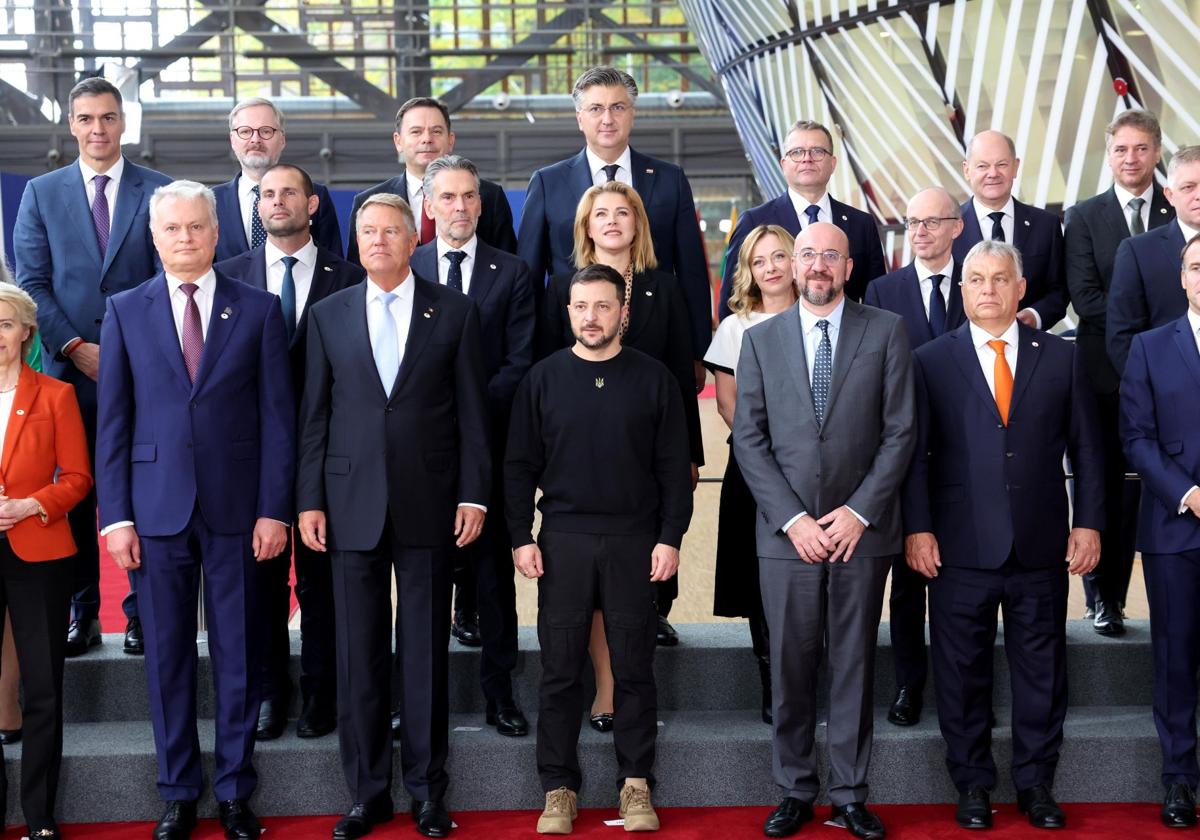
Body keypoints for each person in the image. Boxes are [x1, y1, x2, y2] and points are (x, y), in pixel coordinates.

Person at [95, 180, 295, 840]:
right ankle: (178, 790)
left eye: (196, 227)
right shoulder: (124, 310)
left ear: (216, 233)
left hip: (239, 511)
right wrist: (116, 516)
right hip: (154, 514)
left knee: (239, 655)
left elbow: (277, 419)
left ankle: (236, 790)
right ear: (155, 238)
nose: (185, 238)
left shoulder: (260, 310)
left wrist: (275, 510)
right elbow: (115, 423)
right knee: (168, 658)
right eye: (172, 229)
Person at [296, 193, 490, 840]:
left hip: (430, 501)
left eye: (390, 231)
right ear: (355, 240)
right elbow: (314, 417)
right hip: (347, 505)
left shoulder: (455, 311)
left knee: (425, 654)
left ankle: (428, 793)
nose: (378, 241)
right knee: (358, 655)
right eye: (367, 231)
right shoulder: (327, 315)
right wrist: (308, 499)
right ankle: (367, 793)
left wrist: (473, 493)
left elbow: (471, 413)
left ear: (415, 240)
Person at [903, 239, 1103, 831]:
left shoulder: (1061, 358)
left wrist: (1088, 522)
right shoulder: (931, 360)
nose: (987, 289)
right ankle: (971, 784)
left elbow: (1088, 451)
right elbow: (914, 458)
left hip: (1041, 543)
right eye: (976, 280)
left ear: (1021, 289)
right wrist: (917, 528)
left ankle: (1036, 784)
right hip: (959, 545)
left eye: (1000, 279)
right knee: (961, 670)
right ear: (961, 290)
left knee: (1042, 671)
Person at [734, 222, 914, 840]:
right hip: (786, 538)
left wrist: (858, 512)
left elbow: (900, 433)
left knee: (853, 664)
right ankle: (794, 790)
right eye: (806, 254)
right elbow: (749, 442)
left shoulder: (886, 332)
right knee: (789, 665)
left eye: (828, 256)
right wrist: (793, 519)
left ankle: (849, 794)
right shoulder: (760, 341)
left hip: (861, 533)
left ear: (847, 265)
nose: (816, 265)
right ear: (792, 264)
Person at [506, 263, 693, 835]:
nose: (591, 317)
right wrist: (519, 536)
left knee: (634, 667)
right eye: (581, 306)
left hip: (637, 541)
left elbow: (673, 471)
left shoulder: (654, 379)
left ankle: (635, 784)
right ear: (568, 312)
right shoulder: (542, 380)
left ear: (623, 313)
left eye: (603, 306)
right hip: (563, 539)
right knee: (560, 671)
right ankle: (558, 788)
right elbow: (517, 467)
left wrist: (670, 537)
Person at [13, 77, 171, 659]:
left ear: (122, 121)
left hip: (145, 375)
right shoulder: (42, 193)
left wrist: (127, 354)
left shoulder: (159, 191)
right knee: (73, 497)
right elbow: (31, 283)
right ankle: (82, 612)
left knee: (143, 492)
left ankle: (140, 613)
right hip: (66, 374)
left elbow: (167, 279)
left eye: (107, 118)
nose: (97, 129)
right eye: (86, 119)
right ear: (72, 125)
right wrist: (76, 346)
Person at [536, 181, 701, 731]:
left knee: (635, 581)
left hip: (648, 451)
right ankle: (603, 686)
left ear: (638, 224)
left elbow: (681, 375)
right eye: (599, 213)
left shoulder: (665, 287)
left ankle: (625, 671)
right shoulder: (562, 286)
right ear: (584, 226)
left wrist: (691, 455)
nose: (611, 221)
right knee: (588, 583)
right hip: (582, 458)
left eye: (622, 213)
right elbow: (548, 371)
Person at [216, 163, 364, 742]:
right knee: (261, 584)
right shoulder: (228, 277)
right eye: (267, 194)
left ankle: (321, 694)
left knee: (324, 583)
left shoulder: (351, 277)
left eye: (289, 193)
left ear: (314, 204)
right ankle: (268, 694)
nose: (277, 202)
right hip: (253, 460)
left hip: (331, 456)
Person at [410, 154, 535, 738]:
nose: (459, 207)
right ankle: (416, 698)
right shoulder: (402, 268)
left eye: (469, 197)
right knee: (421, 580)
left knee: (493, 581)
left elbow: (520, 361)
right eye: (448, 198)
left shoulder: (512, 271)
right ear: (428, 206)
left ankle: (500, 694)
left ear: (481, 205)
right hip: (420, 451)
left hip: (493, 445)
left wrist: (469, 413)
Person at [518, 66, 712, 377]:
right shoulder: (547, 182)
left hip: (655, 343)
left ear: (632, 114)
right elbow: (528, 275)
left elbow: (691, 270)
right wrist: (526, 352)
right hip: (572, 344)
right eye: (596, 108)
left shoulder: (669, 179)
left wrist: (697, 349)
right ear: (580, 118)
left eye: (617, 107)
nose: (607, 119)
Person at [1065, 109, 1173, 636]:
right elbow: (1086, 299)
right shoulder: (1084, 216)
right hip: (1103, 374)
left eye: (1140, 148)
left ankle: (1168, 597)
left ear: (1157, 152)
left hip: (1173, 377)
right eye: (1120, 149)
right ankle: (1104, 598)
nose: (1131, 159)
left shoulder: (1177, 213)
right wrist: (1146, 331)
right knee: (1102, 483)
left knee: (1159, 483)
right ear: (1109, 156)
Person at [863, 186, 965, 729]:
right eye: (913, 222)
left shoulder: (978, 282)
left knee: (959, 582)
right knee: (907, 583)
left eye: (932, 221)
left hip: (968, 457)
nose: (920, 231)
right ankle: (908, 683)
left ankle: (957, 685)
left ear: (958, 227)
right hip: (905, 457)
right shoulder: (883, 289)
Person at [0, 283, 92, 840]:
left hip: (38, 548)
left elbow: (78, 478)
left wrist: (31, 504)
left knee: (42, 687)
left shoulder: (55, 395)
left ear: (27, 333)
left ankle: (38, 814)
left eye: (7, 324)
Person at [1120, 232, 1200, 829]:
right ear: (1182, 276)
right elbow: (1137, 440)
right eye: (1197, 266)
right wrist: (1188, 493)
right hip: (1176, 528)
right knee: (1175, 659)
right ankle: (1178, 780)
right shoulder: (1149, 347)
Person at [702, 223, 796, 726]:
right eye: (760, 261)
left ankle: (808, 677)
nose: (771, 268)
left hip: (815, 469)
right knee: (762, 578)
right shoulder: (734, 328)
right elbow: (728, 406)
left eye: (779, 256)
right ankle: (773, 683)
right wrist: (769, 455)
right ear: (748, 271)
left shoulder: (818, 317)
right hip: (755, 469)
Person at [718, 119, 885, 316]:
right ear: (783, 164)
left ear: (832, 164)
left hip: (848, 341)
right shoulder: (754, 222)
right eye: (796, 152)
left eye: (817, 151)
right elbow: (732, 299)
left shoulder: (861, 224)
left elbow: (876, 300)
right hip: (776, 341)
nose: (807, 158)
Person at [347, 97, 517, 266]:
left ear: (450, 140)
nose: (427, 139)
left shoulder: (490, 196)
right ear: (398, 141)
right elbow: (356, 273)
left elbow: (507, 268)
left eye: (436, 131)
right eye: (416, 132)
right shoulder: (368, 202)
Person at [952, 130, 1068, 330]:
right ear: (967, 170)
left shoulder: (1046, 225)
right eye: (982, 166)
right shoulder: (949, 228)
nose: (993, 173)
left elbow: (1059, 290)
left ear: (1015, 167)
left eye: (1002, 164)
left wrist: (1034, 315)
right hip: (964, 349)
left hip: (1029, 347)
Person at [1107, 144, 1200, 376]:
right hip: (1169, 395)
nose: (1198, 195)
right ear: (1169, 195)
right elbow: (1122, 337)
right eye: (1188, 187)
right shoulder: (1138, 252)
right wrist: (1149, 391)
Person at [212, 97, 342, 262]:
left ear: (282, 139)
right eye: (245, 131)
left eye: (266, 131)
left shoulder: (316, 195)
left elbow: (334, 269)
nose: (255, 140)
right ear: (232, 140)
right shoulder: (211, 201)